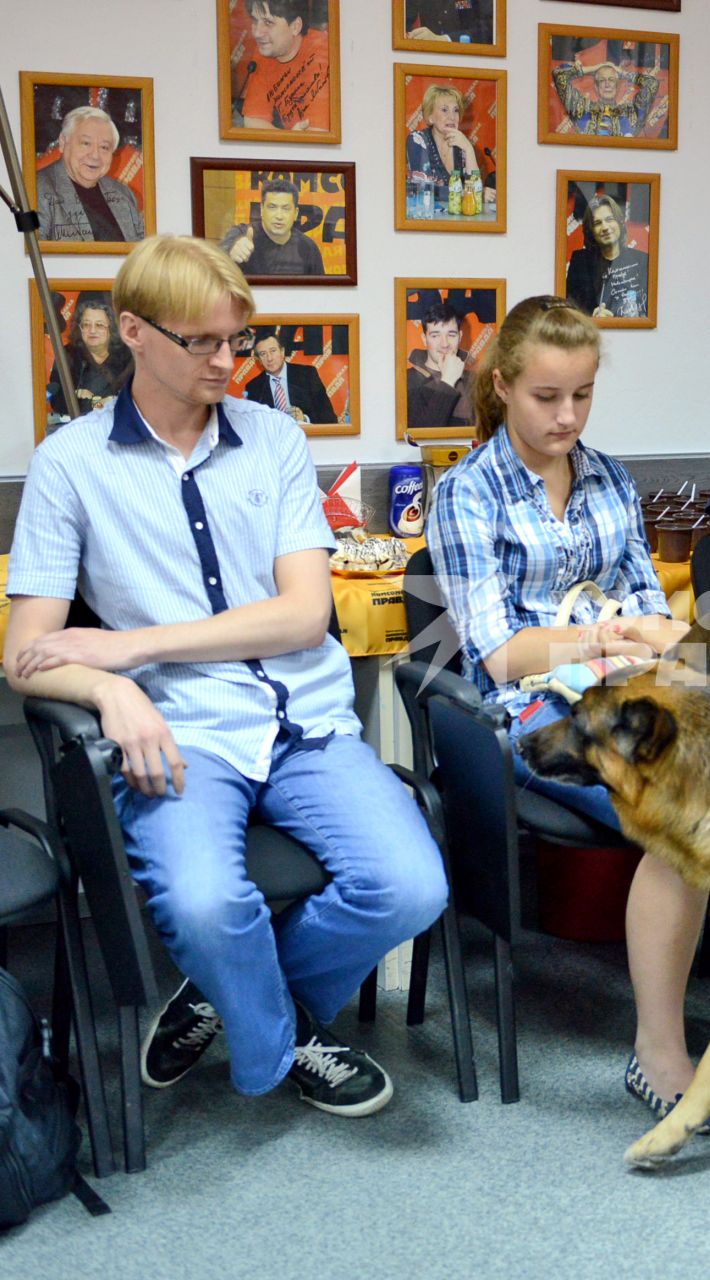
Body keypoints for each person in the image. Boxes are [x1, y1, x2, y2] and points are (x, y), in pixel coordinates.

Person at [3, 235, 447, 1116]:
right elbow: (26, 649)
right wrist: (109, 691)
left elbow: (302, 616)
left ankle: (234, 999)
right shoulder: (71, 464)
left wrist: (128, 649)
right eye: (201, 341)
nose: (225, 360)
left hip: (307, 724)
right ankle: (283, 1037)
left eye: (235, 341)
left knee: (411, 887)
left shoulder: (275, 439)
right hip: (184, 733)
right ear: (132, 331)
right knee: (206, 908)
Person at [429, 295, 710, 1123]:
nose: (567, 415)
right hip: (531, 717)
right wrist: (599, 641)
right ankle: (661, 1052)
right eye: (547, 397)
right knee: (690, 812)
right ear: (503, 385)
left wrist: (635, 637)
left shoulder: (608, 477)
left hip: (630, 692)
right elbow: (498, 653)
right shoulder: (466, 494)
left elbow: (662, 619)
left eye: (581, 395)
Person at [34, 105, 145, 244]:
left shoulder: (123, 194)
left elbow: (142, 253)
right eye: (86, 143)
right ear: (63, 142)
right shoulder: (37, 188)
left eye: (104, 147)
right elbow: (31, 253)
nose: (95, 155)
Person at [238, 0, 332, 134]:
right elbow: (253, 120)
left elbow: (318, 134)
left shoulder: (324, 52)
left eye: (268, 22)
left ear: (295, 26)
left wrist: (288, 139)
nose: (257, 33)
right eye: (254, 20)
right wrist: (288, 137)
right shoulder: (266, 51)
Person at [45, 293, 133, 419]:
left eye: (99, 325)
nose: (92, 331)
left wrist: (114, 401)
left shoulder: (128, 355)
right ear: (79, 327)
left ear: (111, 328)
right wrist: (75, 396)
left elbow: (141, 399)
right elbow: (56, 400)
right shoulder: (68, 354)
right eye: (86, 325)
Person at [404, 84, 487, 216]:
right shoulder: (417, 140)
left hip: (457, 222)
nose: (452, 117)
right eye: (444, 110)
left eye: (456, 110)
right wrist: (471, 193)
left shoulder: (462, 144)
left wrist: (468, 149)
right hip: (425, 222)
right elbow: (425, 190)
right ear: (430, 116)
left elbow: (474, 191)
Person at [564, 195, 650, 320]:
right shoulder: (580, 262)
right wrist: (590, 319)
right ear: (591, 230)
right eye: (597, 223)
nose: (605, 227)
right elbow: (570, 311)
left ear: (620, 223)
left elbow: (649, 310)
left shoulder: (642, 261)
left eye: (610, 219)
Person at [220, 179, 326, 277]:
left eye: (286, 209)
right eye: (272, 207)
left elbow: (321, 291)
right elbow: (215, 258)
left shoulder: (308, 247)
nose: (279, 216)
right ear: (261, 210)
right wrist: (230, 251)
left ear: (295, 213)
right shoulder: (242, 234)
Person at [550, 55, 664, 138]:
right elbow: (559, 75)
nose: (607, 84)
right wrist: (593, 69)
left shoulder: (631, 113)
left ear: (618, 85)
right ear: (596, 86)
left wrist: (622, 73)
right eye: (602, 80)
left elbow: (652, 84)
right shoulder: (582, 108)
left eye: (612, 80)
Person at [244, 328, 336, 425]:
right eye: (263, 354)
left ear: (282, 352)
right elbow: (254, 425)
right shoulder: (253, 387)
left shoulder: (307, 375)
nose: (269, 358)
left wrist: (304, 419)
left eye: (273, 351)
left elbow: (329, 418)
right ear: (258, 360)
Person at [406, 304, 474, 429]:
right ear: (424, 339)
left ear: (460, 337)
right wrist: (448, 380)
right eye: (435, 335)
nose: (444, 344)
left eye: (451, 335)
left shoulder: (476, 381)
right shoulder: (407, 380)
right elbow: (422, 435)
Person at [404, 0, 492, 45]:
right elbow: (403, 18)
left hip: (471, 59)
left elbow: (490, 30)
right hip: (428, 58)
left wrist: (445, 39)